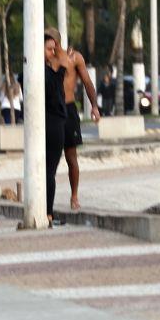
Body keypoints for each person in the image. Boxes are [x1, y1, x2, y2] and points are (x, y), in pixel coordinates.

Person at [44, 27, 100, 218]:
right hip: (51, 112)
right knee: (48, 160)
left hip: (68, 109)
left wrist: (94, 106)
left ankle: (74, 195)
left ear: (56, 41)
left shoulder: (74, 58)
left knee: (71, 156)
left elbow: (87, 82)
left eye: (49, 40)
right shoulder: (45, 59)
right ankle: (46, 201)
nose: (48, 44)